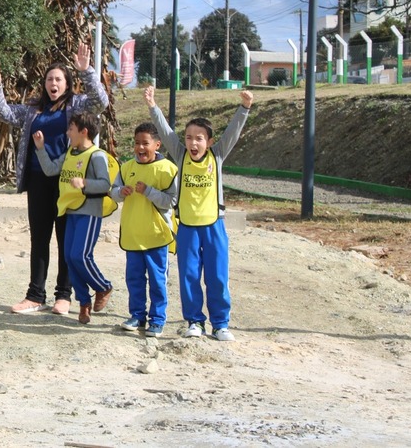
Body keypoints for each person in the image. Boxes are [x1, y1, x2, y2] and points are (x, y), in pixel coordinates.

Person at [0, 45, 109, 315]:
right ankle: (34, 295)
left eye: (59, 79)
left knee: (66, 240)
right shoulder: (32, 110)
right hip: (38, 180)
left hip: (68, 182)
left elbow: (101, 102)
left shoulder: (76, 105)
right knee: (39, 239)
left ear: (67, 84)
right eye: (49, 79)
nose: (53, 83)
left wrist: (86, 71)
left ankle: (63, 296)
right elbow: (3, 113)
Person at [144, 85, 253, 342]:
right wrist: (152, 106)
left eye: (199, 138)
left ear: (210, 142)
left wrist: (245, 108)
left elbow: (233, 133)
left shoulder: (217, 156)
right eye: (189, 137)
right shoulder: (180, 155)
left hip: (214, 226)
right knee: (189, 276)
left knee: (217, 275)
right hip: (187, 228)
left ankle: (221, 324)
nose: (193, 142)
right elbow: (166, 132)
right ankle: (195, 321)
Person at [33, 111, 118, 325]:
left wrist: (85, 183)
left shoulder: (96, 155)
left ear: (84, 131)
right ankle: (83, 302)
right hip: (70, 211)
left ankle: (103, 286)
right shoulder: (70, 152)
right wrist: (41, 148)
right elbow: (51, 170)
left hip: (89, 212)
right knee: (70, 259)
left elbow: (105, 184)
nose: (67, 132)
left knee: (81, 256)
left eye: (71, 128)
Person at [109, 122, 178, 337]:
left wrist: (148, 191)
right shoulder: (127, 167)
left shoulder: (168, 169)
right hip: (133, 235)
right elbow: (112, 192)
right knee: (134, 279)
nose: (140, 148)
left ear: (157, 144)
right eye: (137, 143)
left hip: (157, 236)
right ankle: (137, 315)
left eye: (145, 143)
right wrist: (121, 192)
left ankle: (157, 320)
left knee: (158, 280)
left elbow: (172, 201)